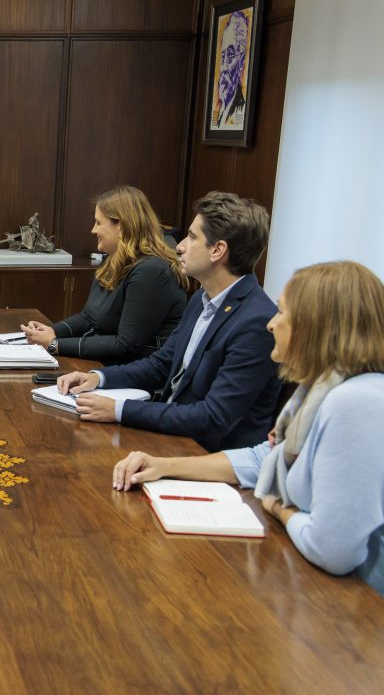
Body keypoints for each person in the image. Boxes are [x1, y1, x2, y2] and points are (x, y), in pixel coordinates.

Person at [112, 261, 384, 593]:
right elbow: (262, 459)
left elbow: (332, 550)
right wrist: (164, 466)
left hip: (358, 605)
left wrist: (277, 508)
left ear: (317, 326)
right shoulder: (321, 390)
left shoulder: (355, 403)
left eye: (282, 313)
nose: (271, 324)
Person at [57, 191, 281, 452]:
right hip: (172, 435)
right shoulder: (201, 299)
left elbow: (213, 418)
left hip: (205, 456)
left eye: (192, 237)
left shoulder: (256, 322)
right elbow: (163, 365)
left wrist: (119, 410)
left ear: (218, 250)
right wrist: (98, 378)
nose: (180, 246)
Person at [20, 186, 187, 365]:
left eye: (99, 223)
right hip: (108, 366)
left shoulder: (152, 271)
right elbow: (88, 318)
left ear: (121, 226)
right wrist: (52, 331)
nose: (93, 230)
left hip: (136, 377)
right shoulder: (114, 259)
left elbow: (126, 344)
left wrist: (55, 345)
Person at [214, 10, 249, 129]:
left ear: (241, 61)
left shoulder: (240, 106)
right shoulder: (219, 109)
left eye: (230, 55)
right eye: (223, 56)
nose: (223, 67)